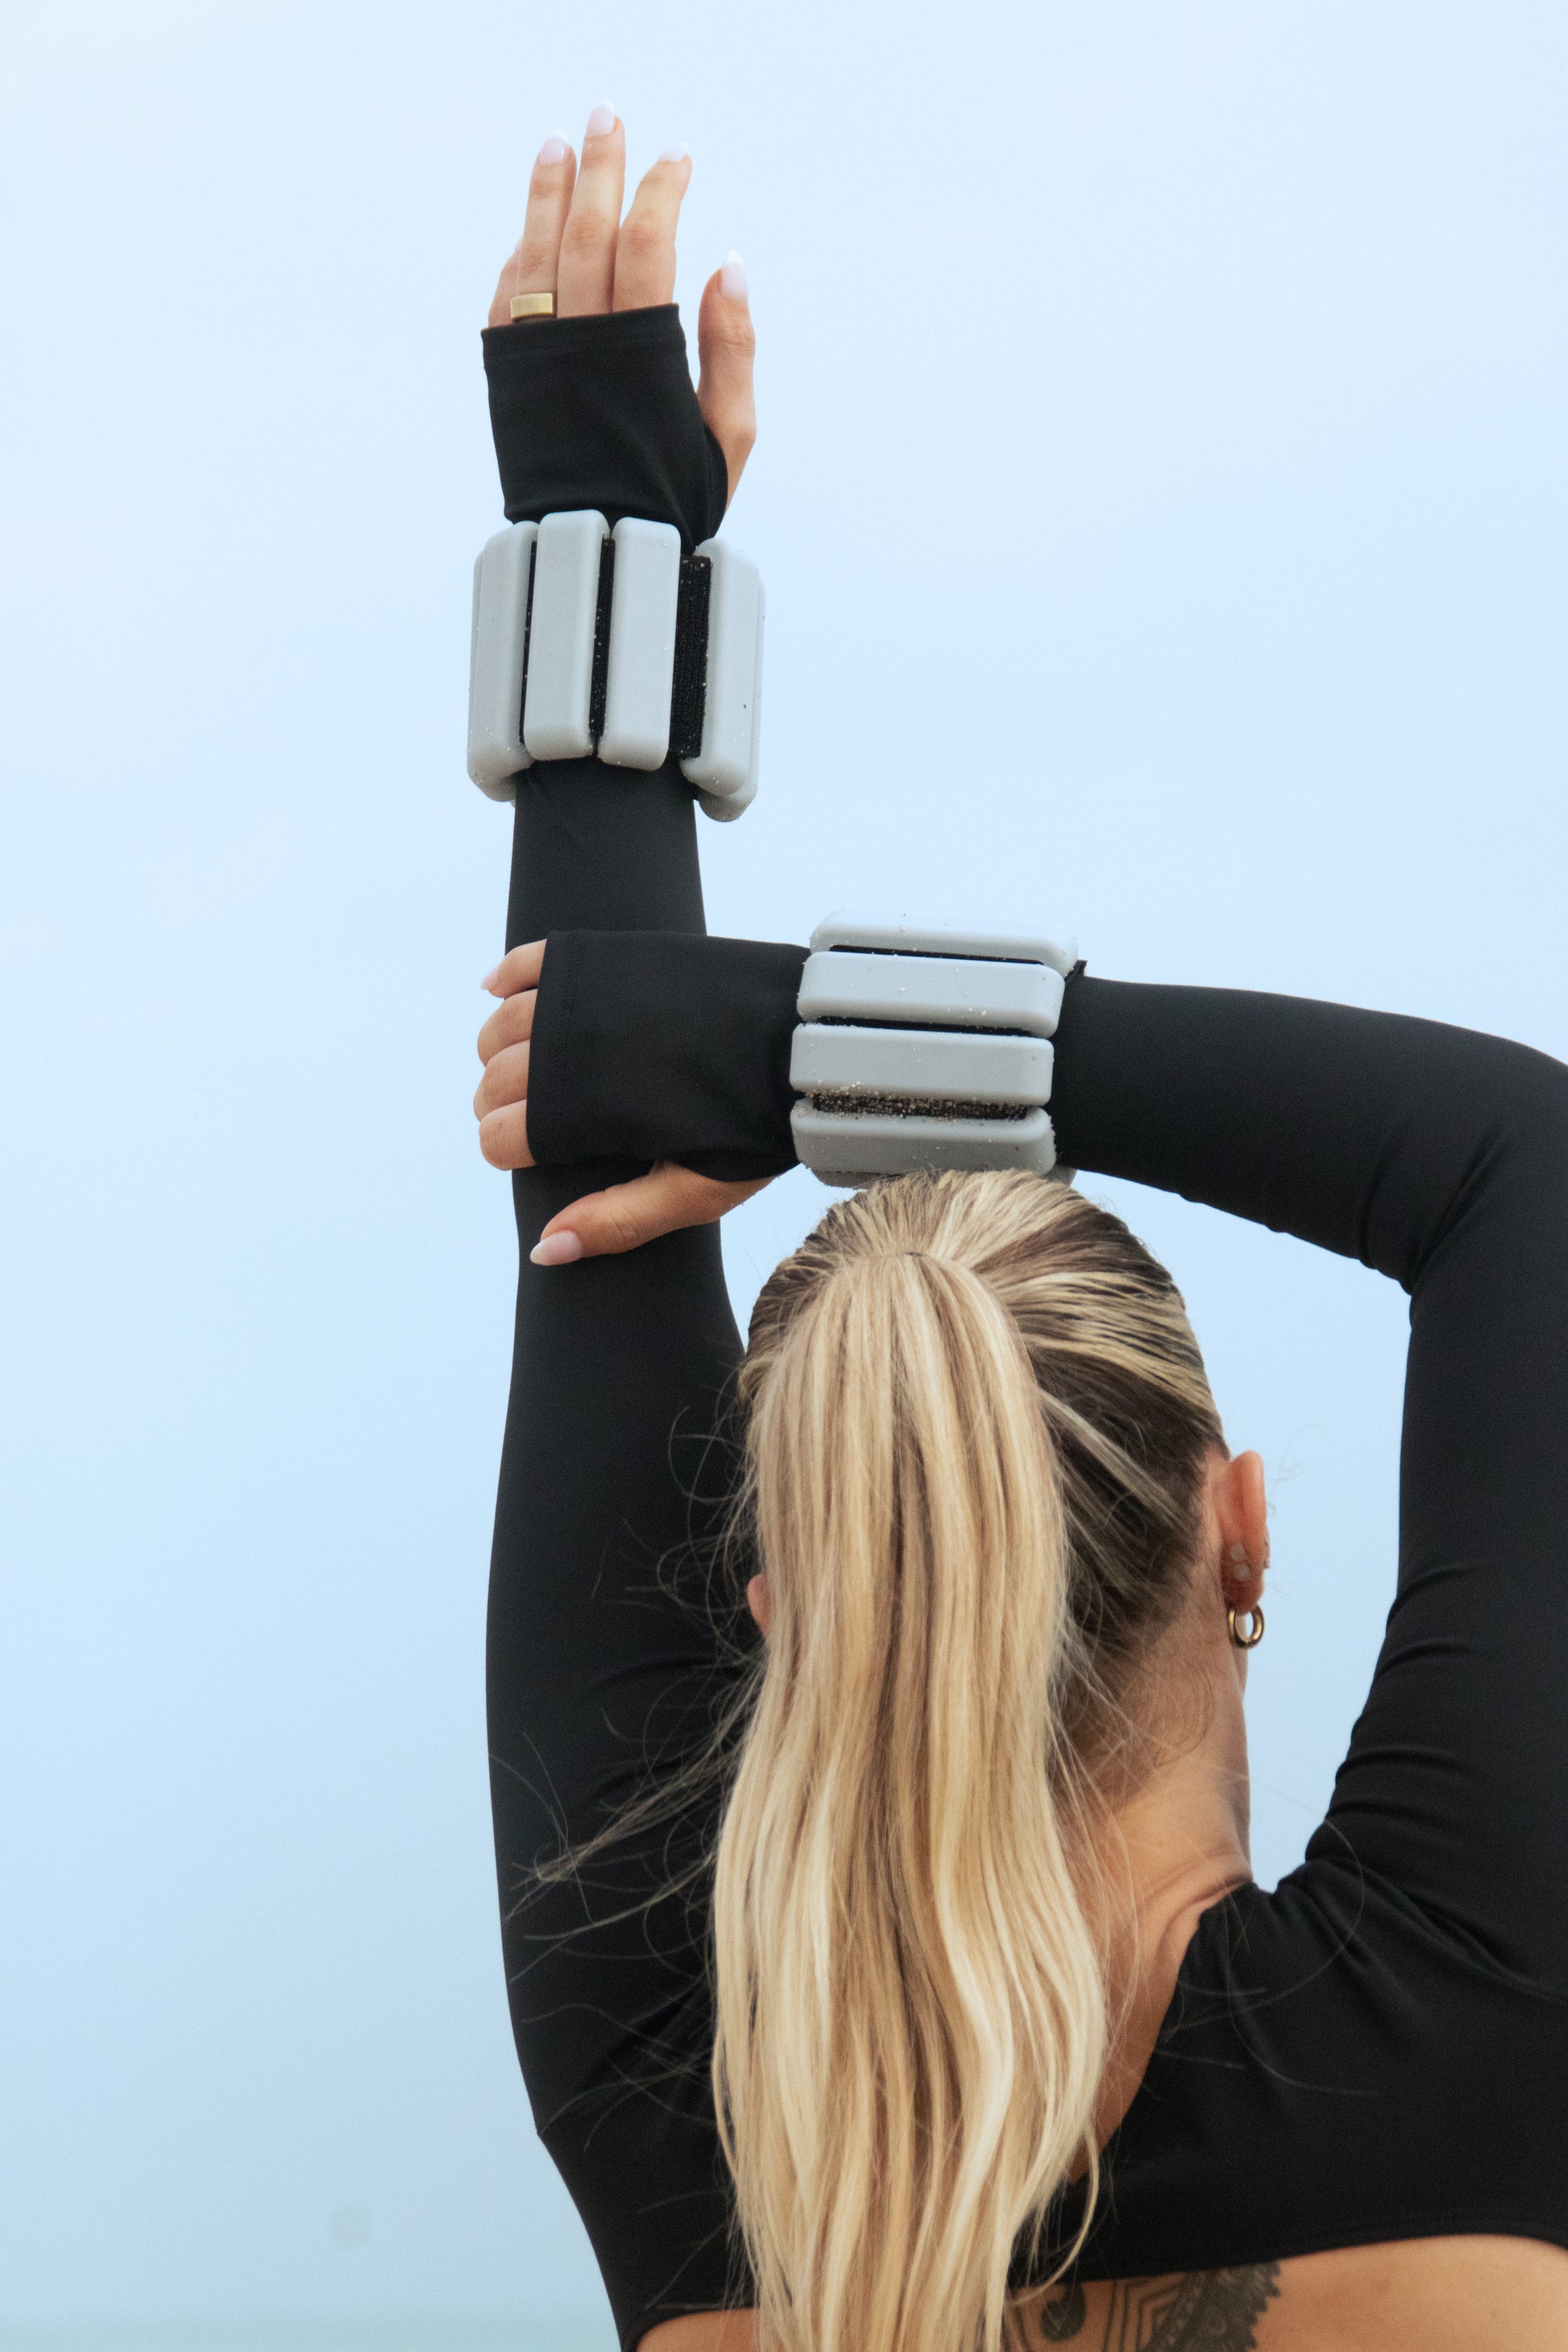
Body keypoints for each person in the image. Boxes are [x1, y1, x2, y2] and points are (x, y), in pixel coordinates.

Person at [471, 111, 1568, 2352]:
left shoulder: (683, 2086)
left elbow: (582, 1174)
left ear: (779, 1613)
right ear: (1238, 1535)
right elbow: (1513, 1165)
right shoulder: (1475, 1998)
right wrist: (784, 1034)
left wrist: (604, 576)